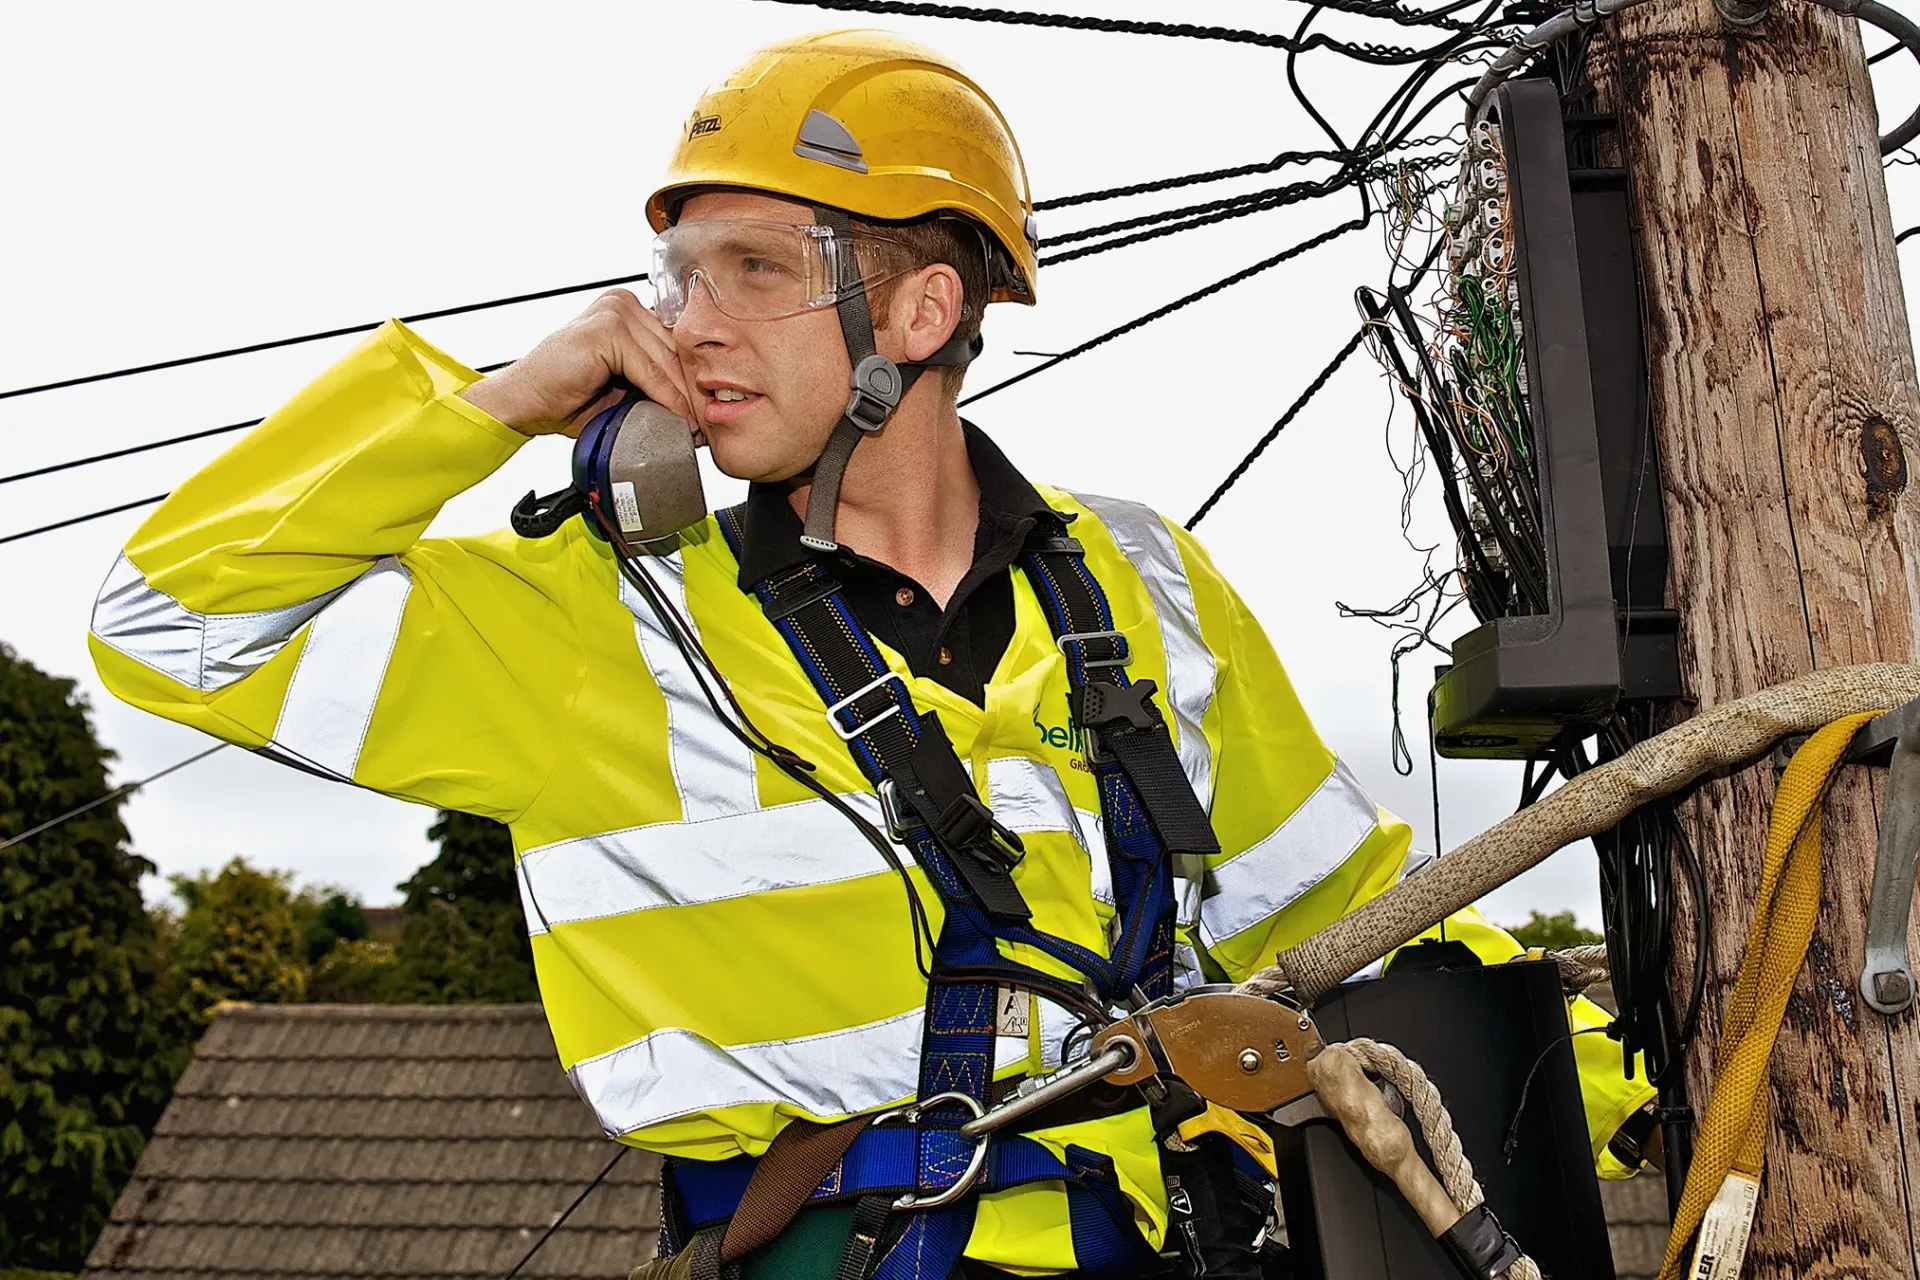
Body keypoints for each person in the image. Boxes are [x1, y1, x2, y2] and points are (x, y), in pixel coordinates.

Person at [88, 28, 1653, 1279]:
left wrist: (1656, 1101)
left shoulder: (1144, 580)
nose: (686, 320)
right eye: (677, 274)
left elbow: (1339, 939)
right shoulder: (592, 621)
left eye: (755, 269)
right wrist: (492, 400)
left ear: (918, 307)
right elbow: (169, 621)